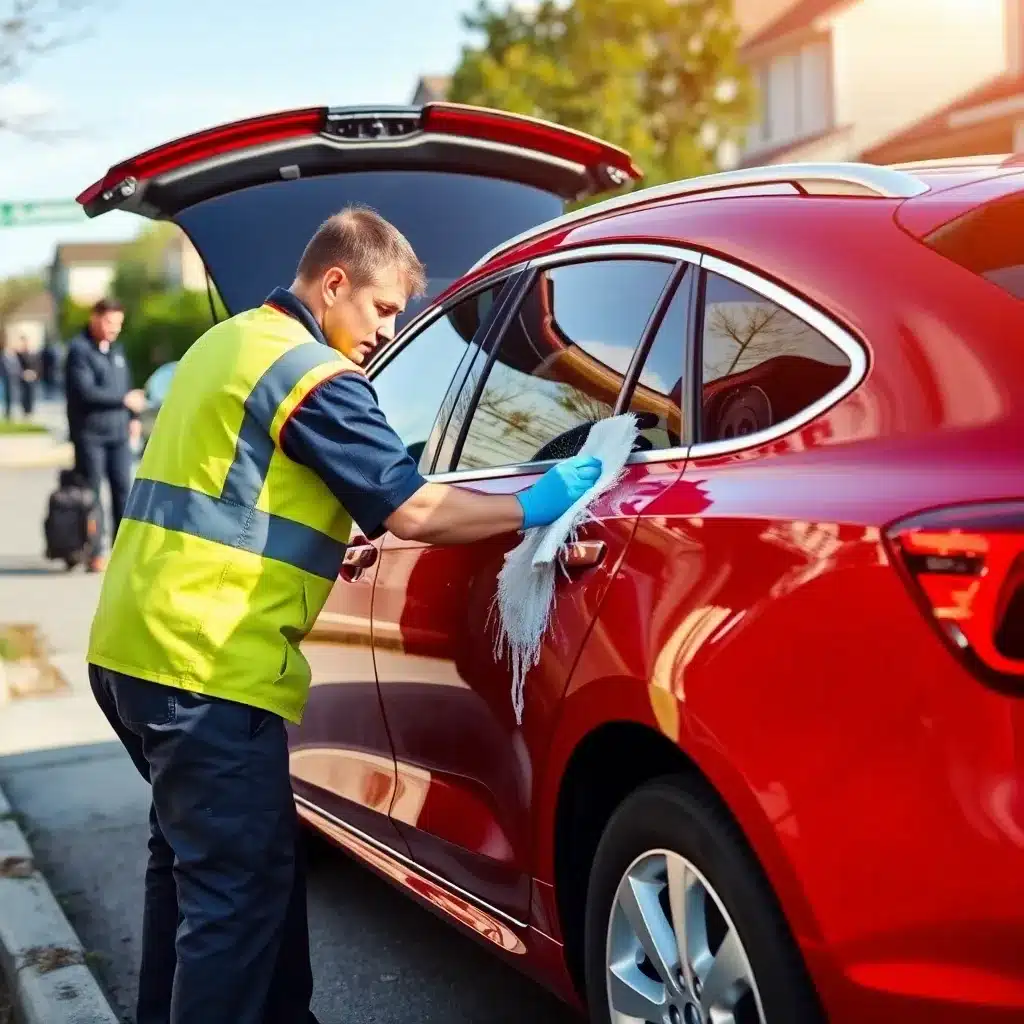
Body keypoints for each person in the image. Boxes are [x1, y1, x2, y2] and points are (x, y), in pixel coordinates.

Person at [85, 206, 602, 1024]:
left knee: (201, 876)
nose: (384, 333)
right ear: (334, 284)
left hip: (132, 655)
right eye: (382, 309)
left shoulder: (227, 344)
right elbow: (416, 510)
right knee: (237, 895)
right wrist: (538, 502)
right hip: (210, 664)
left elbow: (253, 485)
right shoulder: (310, 372)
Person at [64, 298, 146, 572]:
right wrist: (124, 401)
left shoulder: (117, 349)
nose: (114, 329)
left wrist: (133, 417)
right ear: (95, 318)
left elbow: (127, 387)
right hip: (90, 436)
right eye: (110, 323)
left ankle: (122, 550)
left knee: (123, 490)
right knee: (93, 494)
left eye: (119, 325)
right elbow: (86, 392)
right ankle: (95, 551)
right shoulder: (79, 351)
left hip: (118, 434)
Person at [14, 336, 40, 418]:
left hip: (32, 377)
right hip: (24, 377)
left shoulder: (33, 354)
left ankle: (30, 410)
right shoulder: (19, 354)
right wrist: (23, 373)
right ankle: (25, 410)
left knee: (31, 394)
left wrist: (34, 373)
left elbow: (38, 365)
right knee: (24, 395)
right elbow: (17, 366)